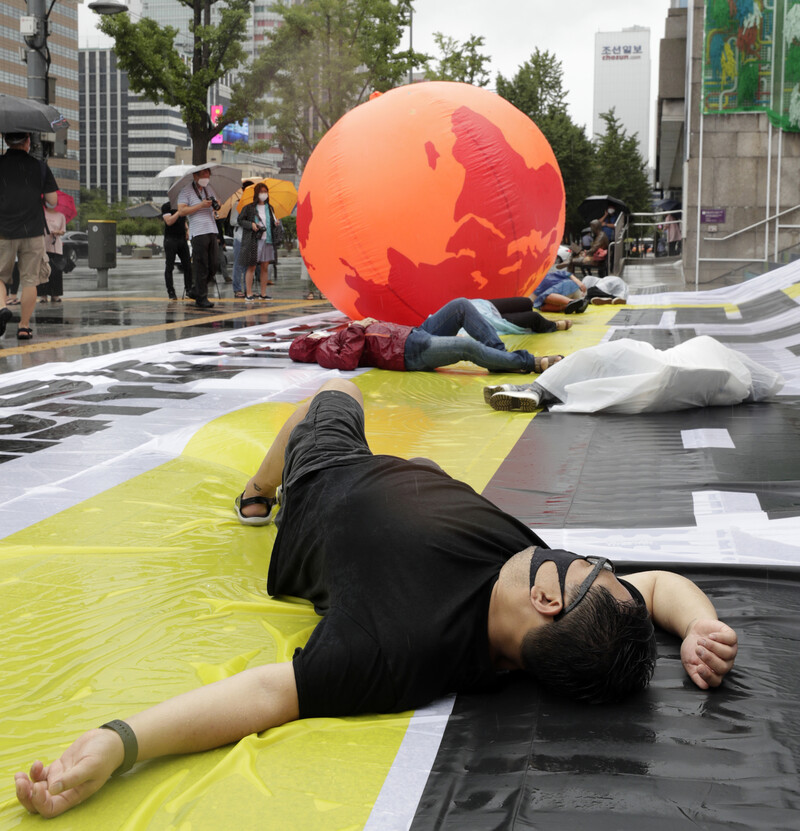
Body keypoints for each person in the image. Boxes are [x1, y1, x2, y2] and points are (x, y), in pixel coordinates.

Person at [14, 378, 738, 818]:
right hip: (395, 478)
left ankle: (256, 487)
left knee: (336, 400)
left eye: (588, 567)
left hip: (327, 480)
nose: (585, 558)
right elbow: (657, 589)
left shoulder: (396, 648)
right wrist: (699, 625)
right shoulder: (545, 595)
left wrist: (120, 740)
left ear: (549, 601)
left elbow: (266, 691)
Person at [483, 336, 784, 412]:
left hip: (659, 362)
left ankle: (534, 389)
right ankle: (536, 392)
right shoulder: (733, 388)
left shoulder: (715, 352)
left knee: (593, 360)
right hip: (662, 378)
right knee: (599, 373)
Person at [288, 297, 562, 374]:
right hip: (409, 353)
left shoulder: (332, 338)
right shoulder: (324, 352)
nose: (314, 334)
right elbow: (348, 360)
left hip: (414, 334)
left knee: (461, 305)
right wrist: (358, 327)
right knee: (465, 346)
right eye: (308, 337)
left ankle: (498, 355)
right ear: (305, 347)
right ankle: (526, 362)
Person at [0, 132, 58, 340]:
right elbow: (52, 201)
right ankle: (24, 327)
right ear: (27, 142)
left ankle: (1, 308)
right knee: (30, 281)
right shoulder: (40, 167)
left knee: (0, 276)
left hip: (3, 230)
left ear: (5, 141)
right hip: (32, 231)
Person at [177, 166, 220, 309]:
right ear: (195, 176)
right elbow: (182, 211)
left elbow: (216, 202)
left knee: (213, 265)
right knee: (201, 265)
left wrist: (216, 204)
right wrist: (201, 205)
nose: (206, 177)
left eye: (208, 174)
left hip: (211, 229)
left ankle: (196, 289)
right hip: (198, 231)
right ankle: (201, 298)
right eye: (203, 174)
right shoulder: (186, 191)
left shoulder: (209, 189)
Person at [237, 182, 279, 301]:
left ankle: (263, 293)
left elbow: (271, 223)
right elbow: (240, 220)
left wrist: (275, 224)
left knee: (265, 266)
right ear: (256, 193)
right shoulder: (249, 207)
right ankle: (249, 293)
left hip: (268, 239)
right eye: (261, 192)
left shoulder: (270, 208)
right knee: (252, 266)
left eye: (265, 192)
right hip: (254, 240)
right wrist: (251, 224)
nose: (263, 194)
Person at [474, 297, 573, 334]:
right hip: (480, 320)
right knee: (534, 317)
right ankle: (552, 325)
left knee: (526, 302)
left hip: (480, 306)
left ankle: (527, 321)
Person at [161, 199, 192, 301]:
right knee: (169, 266)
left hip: (182, 239)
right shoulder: (166, 206)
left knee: (187, 265)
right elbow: (169, 221)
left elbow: (184, 219)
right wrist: (179, 211)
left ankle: (189, 289)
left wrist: (187, 229)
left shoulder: (183, 205)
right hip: (170, 240)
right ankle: (171, 291)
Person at [229, 179, 253, 298]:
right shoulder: (237, 204)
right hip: (239, 237)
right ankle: (237, 288)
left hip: (251, 238)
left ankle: (247, 289)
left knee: (249, 265)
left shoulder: (255, 205)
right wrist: (245, 222)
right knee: (238, 264)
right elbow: (233, 221)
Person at [39, 202, 66, 303]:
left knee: (56, 272)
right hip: (42, 246)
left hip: (56, 247)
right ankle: (43, 295)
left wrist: (57, 232)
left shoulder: (61, 216)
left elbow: (63, 230)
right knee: (43, 271)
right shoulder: (41, 213)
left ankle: (55, 295)